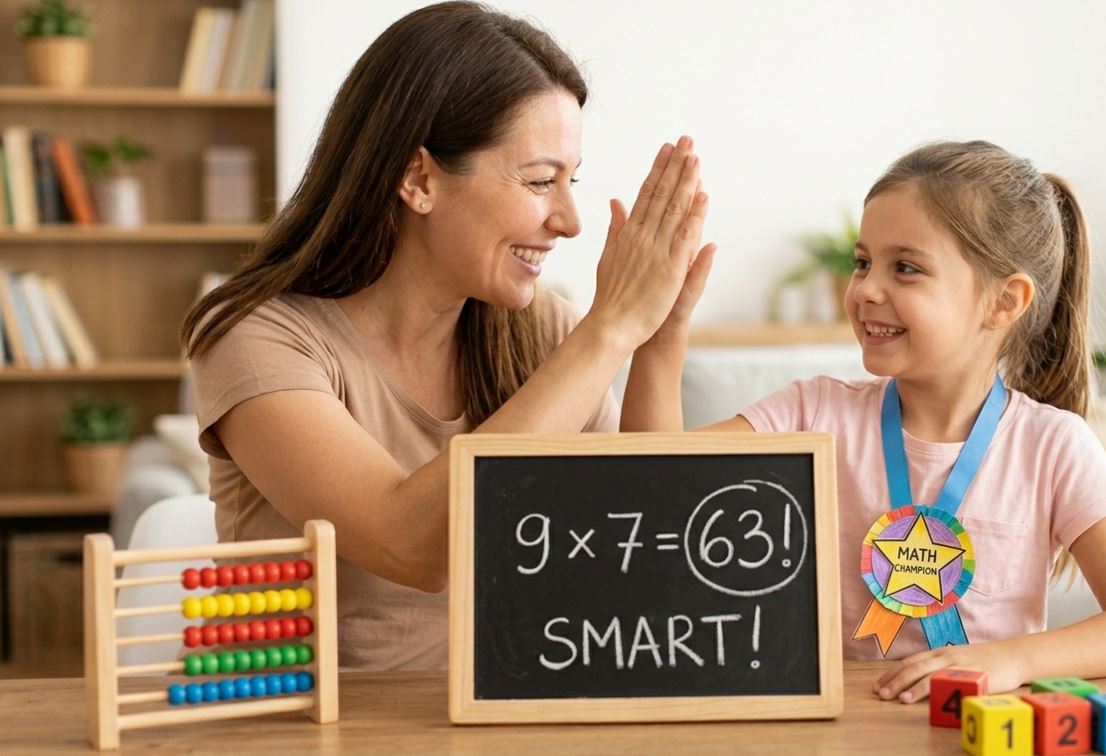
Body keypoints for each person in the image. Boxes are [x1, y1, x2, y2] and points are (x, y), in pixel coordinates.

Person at [181, 1, 715, 670]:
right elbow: (414, 546)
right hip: (318, 729)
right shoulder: (256, 337)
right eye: (541, 180)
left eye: (570, 181)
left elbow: (644, 546)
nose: (570, 220)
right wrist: (607, 332)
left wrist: (658, 337)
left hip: (510, 713)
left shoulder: (541, 333)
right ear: (419, 178)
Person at [622, 140, 1106, 702]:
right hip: (841, 727)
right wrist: (659, 334)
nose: (866, 289)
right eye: (862, 262)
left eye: (906, 268)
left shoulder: (1053, 445)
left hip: (980, 728)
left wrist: (1010, 660)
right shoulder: (812, 412)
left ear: (1004, 302)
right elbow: (652, 484)